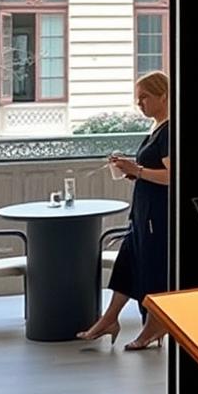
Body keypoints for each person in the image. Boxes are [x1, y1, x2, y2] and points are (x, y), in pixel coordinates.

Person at [78, 70, 171, 351]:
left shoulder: (169, 131)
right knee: (127, 261)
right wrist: (134, 171)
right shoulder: (157, 129)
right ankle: (109, 319)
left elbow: (174, 176)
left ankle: (154, 325)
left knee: (152, 266)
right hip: (144, 210)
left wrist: (138, 170)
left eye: (144, 97)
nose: (140, 104)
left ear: (163, 96)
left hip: (158, 212)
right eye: (137, 99)